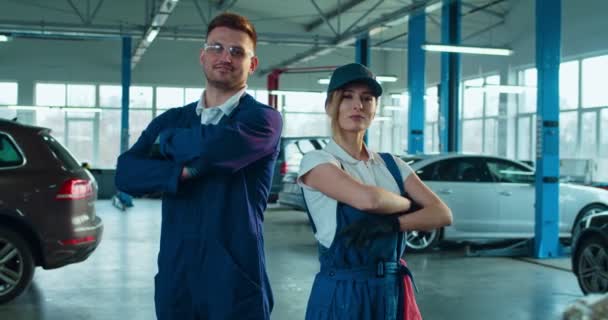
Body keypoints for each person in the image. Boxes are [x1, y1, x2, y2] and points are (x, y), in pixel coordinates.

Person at [114, 12, 282, 320]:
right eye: (217, 48)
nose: (225, 57)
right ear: (202, 56)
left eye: (237, 51)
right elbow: (126, 173)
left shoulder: (263, 120)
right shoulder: (171, 118)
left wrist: (166, 143)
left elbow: (210, 148)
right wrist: (177, 172)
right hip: (177, 275)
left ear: (252, 64)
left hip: (234, 277)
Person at [298, 63, 453, 320]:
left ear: (374, 109)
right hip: (342, 294)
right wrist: (409, 204)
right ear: (330, 106)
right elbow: (368, 199)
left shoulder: (392, 164)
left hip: (390, 291)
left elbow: (442, 214)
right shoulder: (318, 161)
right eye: (347, 96)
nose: (358, 105)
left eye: (367, 99)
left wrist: (394, 225)